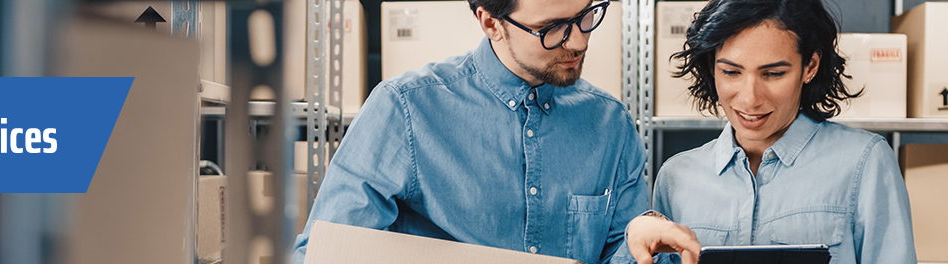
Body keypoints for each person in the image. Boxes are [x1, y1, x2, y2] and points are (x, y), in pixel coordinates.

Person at [291, 0, 701, 263]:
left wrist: (638, 237)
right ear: (491, 22)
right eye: (554, 27)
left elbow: (617, 251)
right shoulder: (405, 110)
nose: (578, 41)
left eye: (585, 15)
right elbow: (323, 254)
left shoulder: (610, 124)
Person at [653, 0, 917, 263]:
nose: (750, 99)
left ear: (810, 66)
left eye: (773, 74)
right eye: (731, 72)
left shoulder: (864, 162)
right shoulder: (675, 178)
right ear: (713, 67)